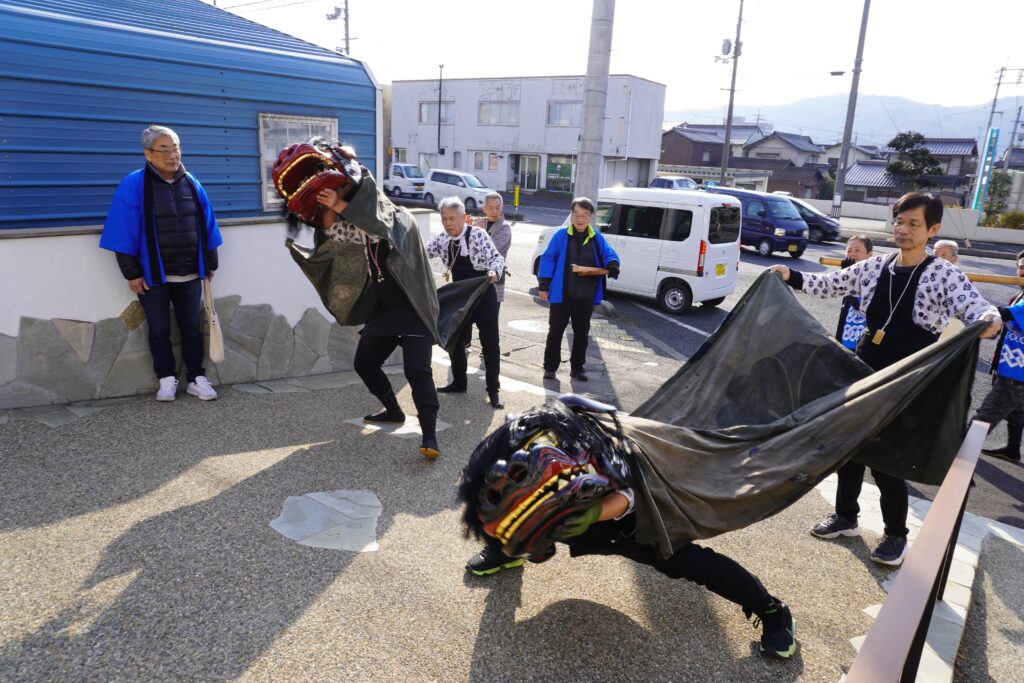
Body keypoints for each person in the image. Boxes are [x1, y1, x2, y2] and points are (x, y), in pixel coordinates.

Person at [459, 398, 797, 660]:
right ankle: (506, 552)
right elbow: (490, 504)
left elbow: (635, 491)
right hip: (562, 505)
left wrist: (595, 512)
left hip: (625, 518)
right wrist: (510, 538)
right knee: (507, 521)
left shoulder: (611, 454)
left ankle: (771, 610)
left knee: (688, 562)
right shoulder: (511, 453)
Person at [770, 192, 1000, 566]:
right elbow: (830, 284)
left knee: (887, 458)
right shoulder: (876, 267)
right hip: (865, 370)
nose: (904, 230)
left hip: (907, 379)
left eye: (914, 224)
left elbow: (977, 306)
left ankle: (896, 535)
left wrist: (990, 320)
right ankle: (846, 517)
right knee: (849, 446)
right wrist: (789, 274)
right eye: (899, 222)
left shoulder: (943, 273)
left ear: (932, 230)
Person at [315, 179, 442, 459]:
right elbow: (329, 228)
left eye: (357, 201)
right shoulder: (363, 231)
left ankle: (430, 436)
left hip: (414, 310)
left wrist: (338, 202)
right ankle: (394, 411)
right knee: (365, 364)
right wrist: (326, 202)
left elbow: (382, 227)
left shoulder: (401, 220)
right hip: (384, 312)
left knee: (417, 372)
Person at [100, 125, 223, 402]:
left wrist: (210, 263)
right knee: (159, 330)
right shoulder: (133, 184)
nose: (172, 155)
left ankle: (196, 378)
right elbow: (123, 230)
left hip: (190, 272)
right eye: (164, 149)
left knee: (192, 328)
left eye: (176, 148)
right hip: (153, 274)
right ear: (148, 154)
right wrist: (131, 273)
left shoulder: (191, 181)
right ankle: (166, 378)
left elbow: (206, 223)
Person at [425, 197, 506, 408]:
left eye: (452, 218)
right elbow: (421, 254)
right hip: (461, 297)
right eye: (444, 219)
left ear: (463, 217)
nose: (448, 223)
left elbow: (497, 259)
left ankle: (493, 390)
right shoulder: (442, 239)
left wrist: (494, 271)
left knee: (490, 344)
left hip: (483, 293)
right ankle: (459, 382)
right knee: (456, 340)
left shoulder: (478, 235)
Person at [537, 197, 621, 382]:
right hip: (562, 293)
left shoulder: (596, 237)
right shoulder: (561, 235)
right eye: (576, 214)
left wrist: (613, 264)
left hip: (585, 295)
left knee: (582, 333)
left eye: (584, 215)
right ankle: (550, 367)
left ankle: (577, 368)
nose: (580, 219)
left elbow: (609, 253)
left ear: (591, 216)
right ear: (572, 215)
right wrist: (544, 285)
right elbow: (548, 258)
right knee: (555, 332)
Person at [974, 250, 1024, 463]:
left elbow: (1003, 315)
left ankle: (959, 455)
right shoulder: (1019, 295)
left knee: (984, 416)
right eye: (1021, 266)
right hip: (1011, 365)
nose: (1022, 271)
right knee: (1017, 411)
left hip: (1017, 373)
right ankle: (1012, 448)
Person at [835, 235, 874, 351]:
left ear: (870, 255)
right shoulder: (850, 274)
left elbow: (860, 306)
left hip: (861, 343)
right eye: (849, 250)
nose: (852, 254)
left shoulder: (873, 276)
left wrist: (848, 278)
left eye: (857, 250)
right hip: (844, 338)